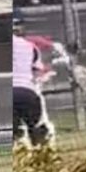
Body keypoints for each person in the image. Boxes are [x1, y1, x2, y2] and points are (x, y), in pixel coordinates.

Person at [12, 8, 57, 148]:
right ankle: (41, 152)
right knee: (37, 128)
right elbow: (37, 72)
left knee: (17, 132)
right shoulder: (30, 46)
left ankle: (21, 149)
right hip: (27, 92)